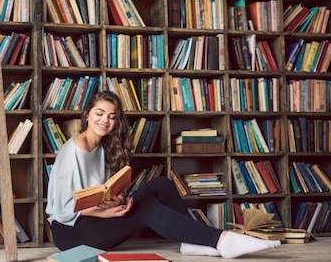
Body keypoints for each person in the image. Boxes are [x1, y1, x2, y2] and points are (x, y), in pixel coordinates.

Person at [45, 90, 281, 259]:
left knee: (160, 184)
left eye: (112, 116)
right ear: (87, 115)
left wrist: (113, 201)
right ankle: (222, 240)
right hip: (71, 233)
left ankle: (190, 242)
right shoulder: (74, 149)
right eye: (99, 113)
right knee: (146, 208)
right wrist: (106, 213)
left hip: (95, 217)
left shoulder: (101, 147)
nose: (104, 120)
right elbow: (64, 208)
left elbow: (98, 192)